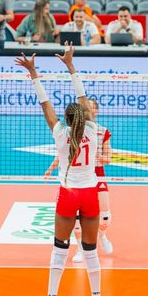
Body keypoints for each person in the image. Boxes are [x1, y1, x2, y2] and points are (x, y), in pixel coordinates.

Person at [15, 46, 104, 296]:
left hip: (69, 194)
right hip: (90, 193)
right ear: (85, 116)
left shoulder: (60, 133)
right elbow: (82, 98)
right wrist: (71, 66)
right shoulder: (93, 130)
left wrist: (33, 73)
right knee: (90, 251)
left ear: (66, 119)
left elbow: (45, 105)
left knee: (59, 250)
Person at [45, 98, 113, 262]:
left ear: (95, 111)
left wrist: (98, 157)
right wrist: (50, 169)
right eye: (86, 106)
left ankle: (102, 235)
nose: (88, 108)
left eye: (91, 107)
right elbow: (63, 154)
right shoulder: (72, 130)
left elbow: (109, 158)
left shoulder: (101, 131)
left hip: (97, 175)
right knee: (75, 218)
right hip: (76, 178)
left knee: (105, 216)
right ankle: (81, 249)